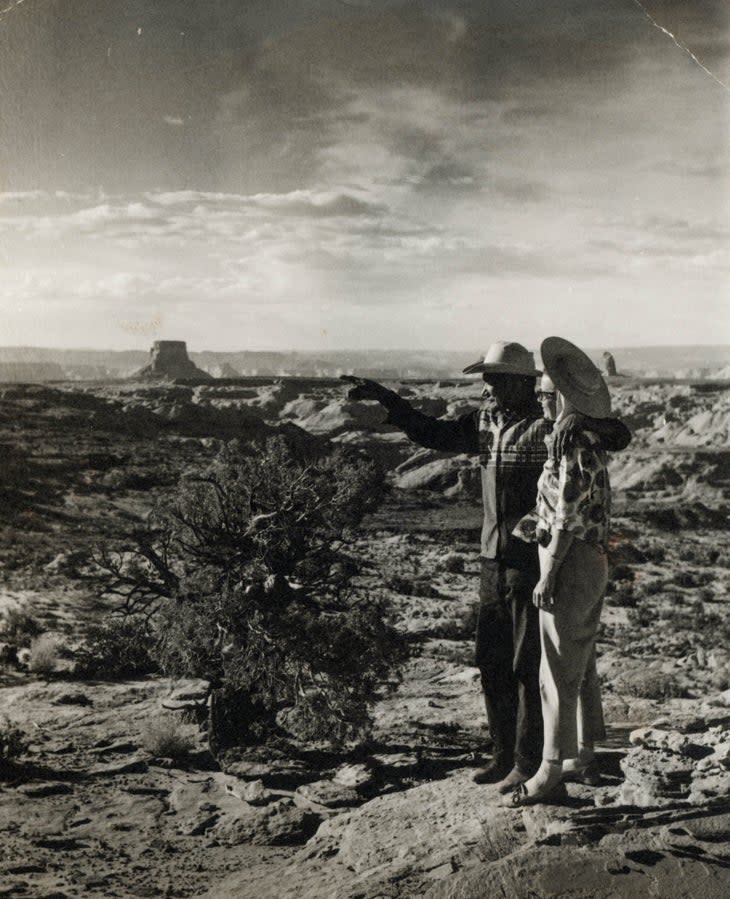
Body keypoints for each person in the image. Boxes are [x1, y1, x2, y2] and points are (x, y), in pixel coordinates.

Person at [342, 340, 630, 794]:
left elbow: (617, 434)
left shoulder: (548, 425)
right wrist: (389, 400)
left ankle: (529, 758)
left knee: (526, 664)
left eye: (496, 380)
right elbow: (433, 433)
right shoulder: (486, 423)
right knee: (491, 660)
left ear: (521, 384)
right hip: (492, 559)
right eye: (486, 380)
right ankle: (502, 755)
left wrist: (580, 423)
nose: (488, 388)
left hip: (531, 560)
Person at [508, 337, 618, 806]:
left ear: (567, 401)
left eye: (548, 395)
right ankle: (582, 753)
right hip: (584, 559)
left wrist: (547, 574)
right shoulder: (584, 441)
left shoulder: (572, 447)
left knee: (555, 668)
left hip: (567, 561)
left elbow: (567, 517)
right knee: (580, 663)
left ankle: (550, 768)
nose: (540, 400)